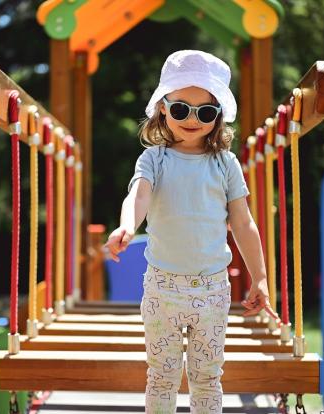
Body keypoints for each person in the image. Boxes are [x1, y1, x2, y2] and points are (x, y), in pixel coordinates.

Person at [104, 50, 278, 413]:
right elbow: (138, 194)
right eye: (181, 108)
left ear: (218, 118)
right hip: (162, 288)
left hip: (212, 289)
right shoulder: (154, 158)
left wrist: (259, 277)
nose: (192, 119)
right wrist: (125, 226)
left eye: (206, 112)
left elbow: (243, 223)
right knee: (162, 377)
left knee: (207, 377)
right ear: (163, 109)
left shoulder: (226, 164)